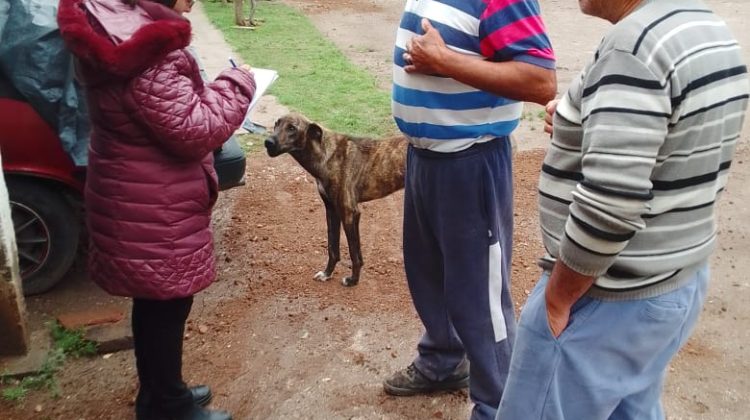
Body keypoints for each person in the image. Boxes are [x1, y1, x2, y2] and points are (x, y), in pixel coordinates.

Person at [497, 0, 749, 419]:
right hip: (674, 283)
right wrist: (586, 118)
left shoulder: (633, 48)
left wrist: (558, 299)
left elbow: (609, 203)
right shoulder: (702, 25)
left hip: (606, 298)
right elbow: (682, 142)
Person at [57, 0, 256, 418]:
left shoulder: (115, 29)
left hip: (133, 192)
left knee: (156, 301)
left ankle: (161, 392)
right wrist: (238, 83)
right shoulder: (149, 51)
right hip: (153, 202)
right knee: (167, 302)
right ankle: (168, 406)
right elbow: (194, 129)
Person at [383, 1, 556, 419]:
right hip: (425, 159)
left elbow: (540, 81)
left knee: (481, 300)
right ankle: (443, 361)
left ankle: (501, 406)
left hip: (471, 162)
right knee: (429, 275)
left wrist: (446, 61)